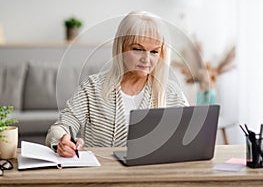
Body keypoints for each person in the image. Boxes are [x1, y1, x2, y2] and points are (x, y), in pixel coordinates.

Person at [46, 11, 189, 157]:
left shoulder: (172, 92)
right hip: (102, 175)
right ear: (121, 48)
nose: (146, 59)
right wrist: (62, 141)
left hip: (152, 176)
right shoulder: (92, 88)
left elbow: (190, 136)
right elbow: (60, 128)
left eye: (154, 52)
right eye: (138, 49)